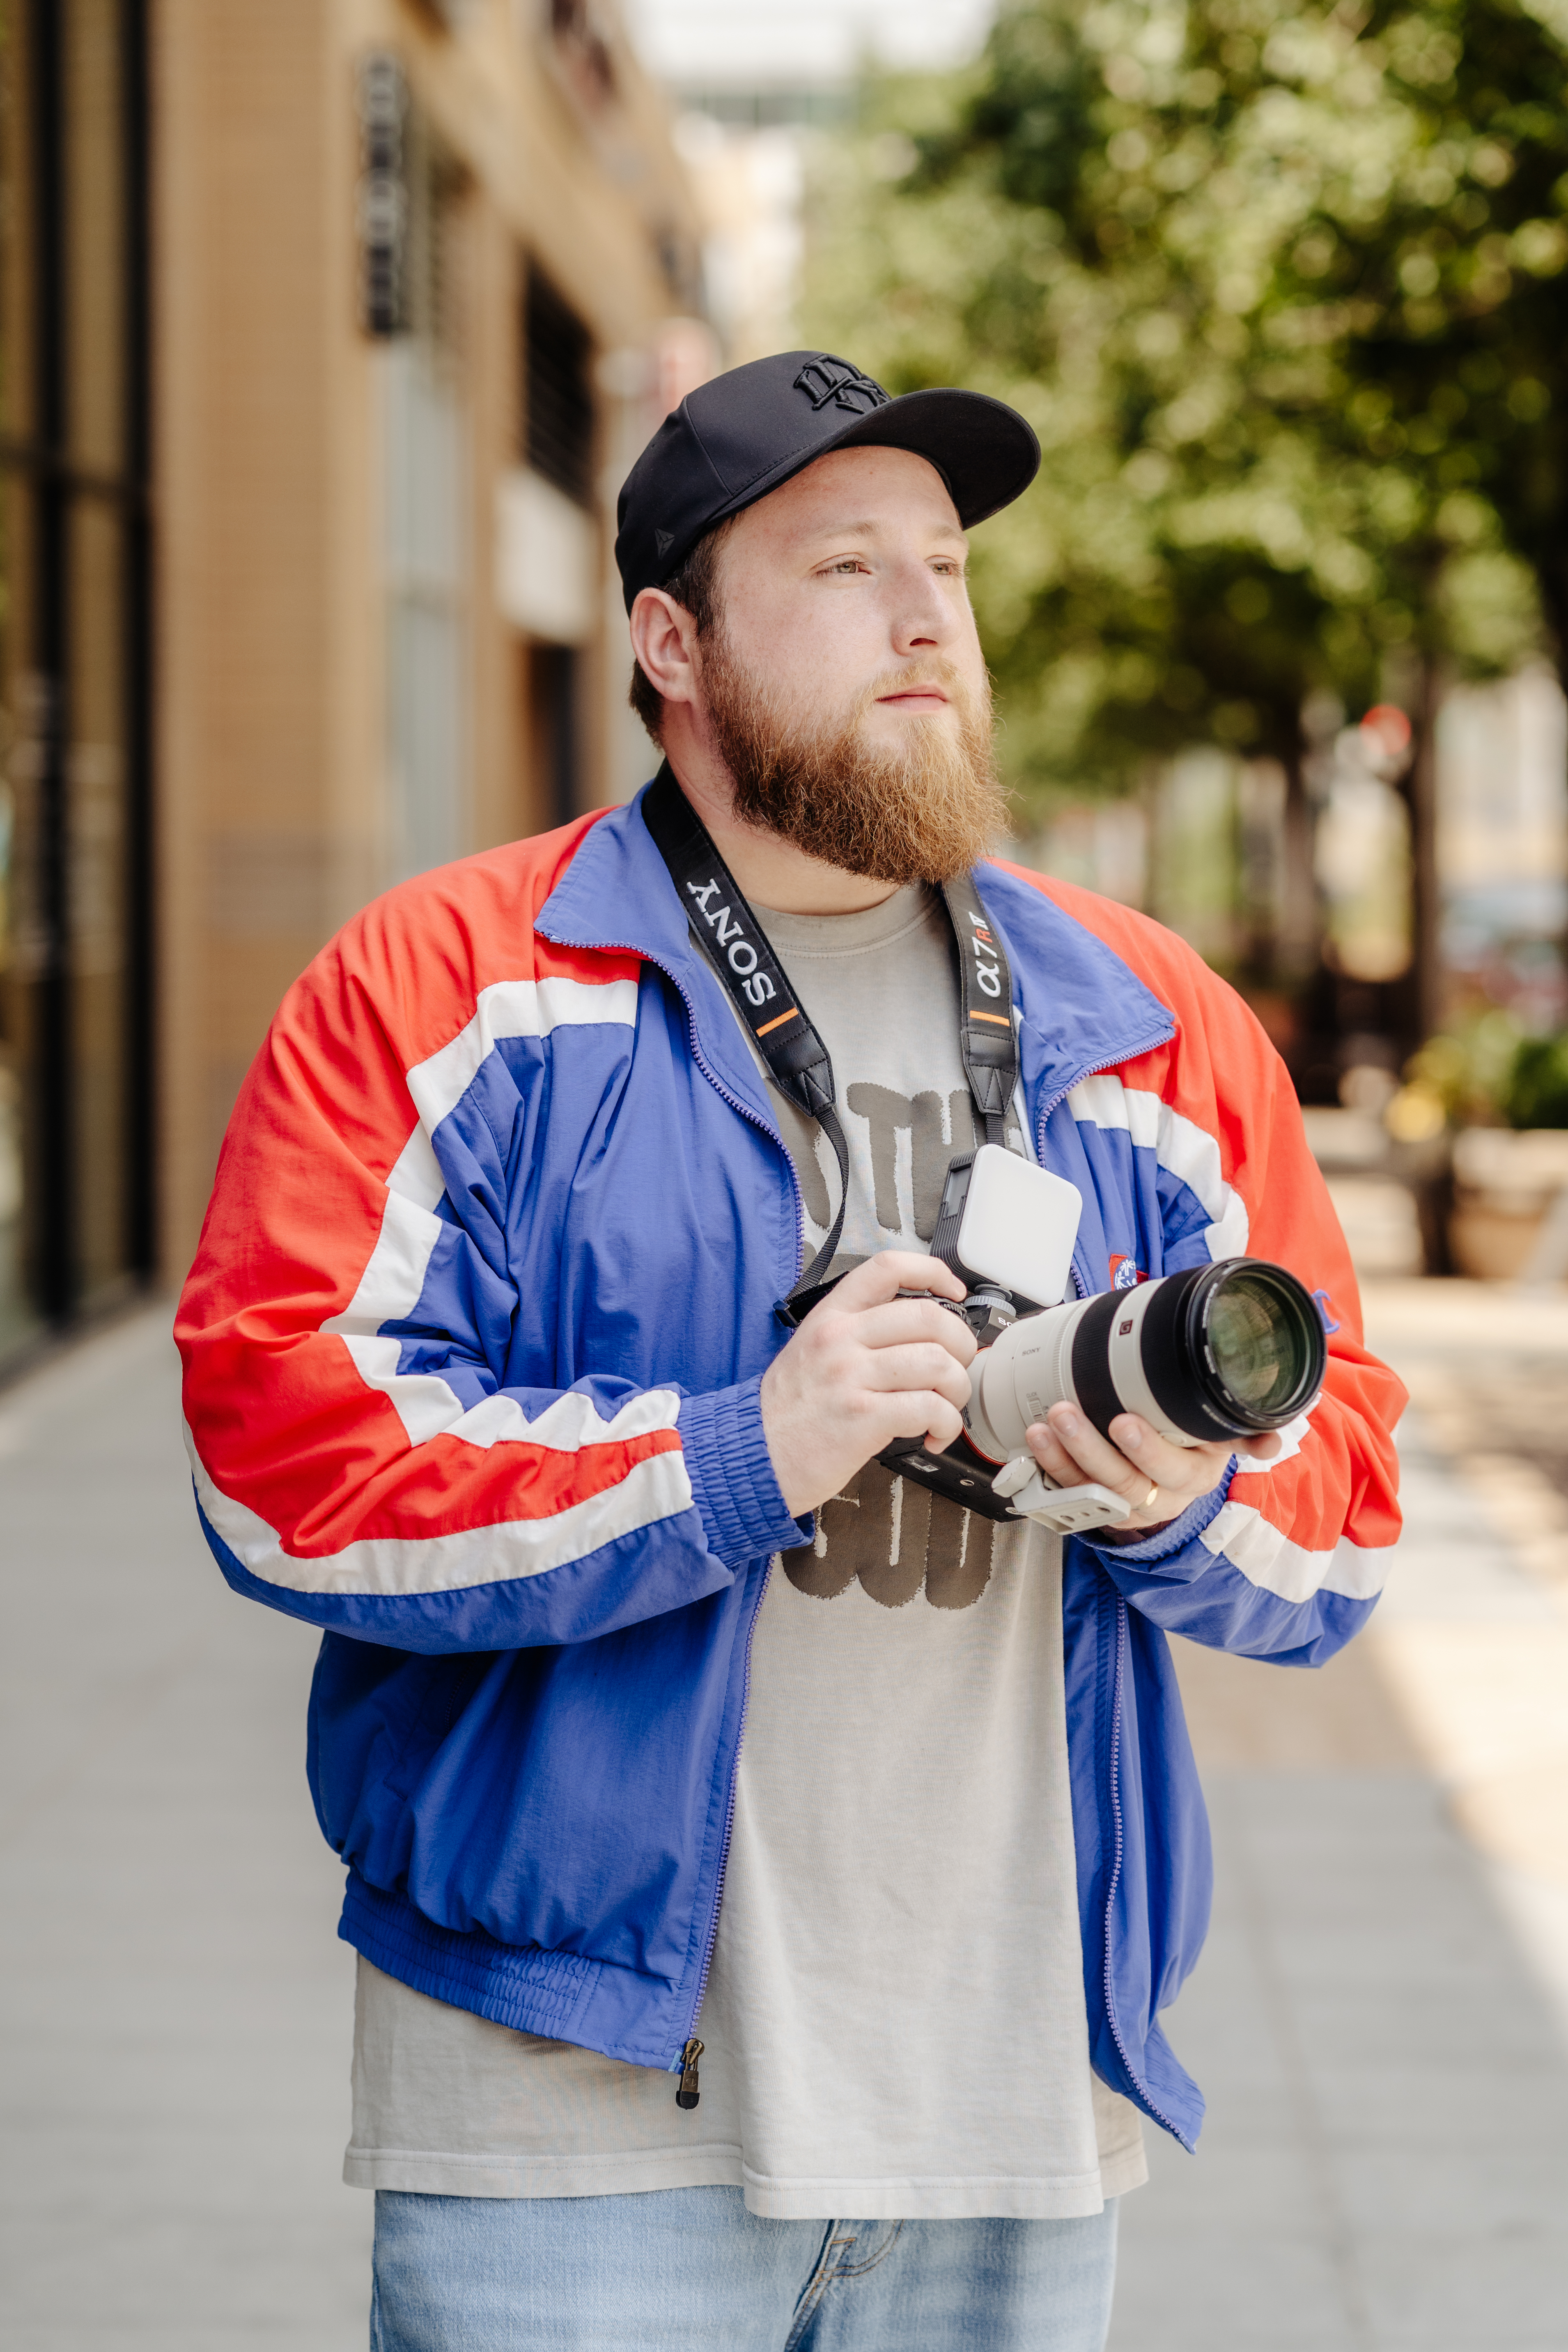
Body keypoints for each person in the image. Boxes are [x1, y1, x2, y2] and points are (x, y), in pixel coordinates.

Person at [177, 350, 1406, 2351]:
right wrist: (744, 1447)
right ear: (670, 640)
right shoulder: (441, 986)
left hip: (1016, 2102)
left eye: (945, 564)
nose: (927, 614)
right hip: (571, 2122)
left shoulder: (1153, 1020)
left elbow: (1343, 1514)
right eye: (843, 565)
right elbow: (281, 1461)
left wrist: (1186, 1496)